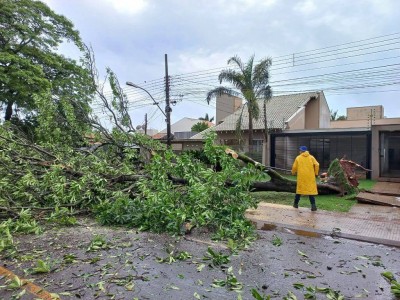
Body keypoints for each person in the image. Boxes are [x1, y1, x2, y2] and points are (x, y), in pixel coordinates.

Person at [291, 146, 320, 211]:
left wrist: (293, 172)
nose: (299, 151)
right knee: (310, 191)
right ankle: (313, 206)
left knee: (299, 191)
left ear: (301, 151)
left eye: (299, 150)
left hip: (301, 177)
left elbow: (294, 167)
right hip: (310, 177)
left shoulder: (298, 158)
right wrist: (316, 173)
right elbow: (317, 165)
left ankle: (295, 204)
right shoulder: (311, 157)